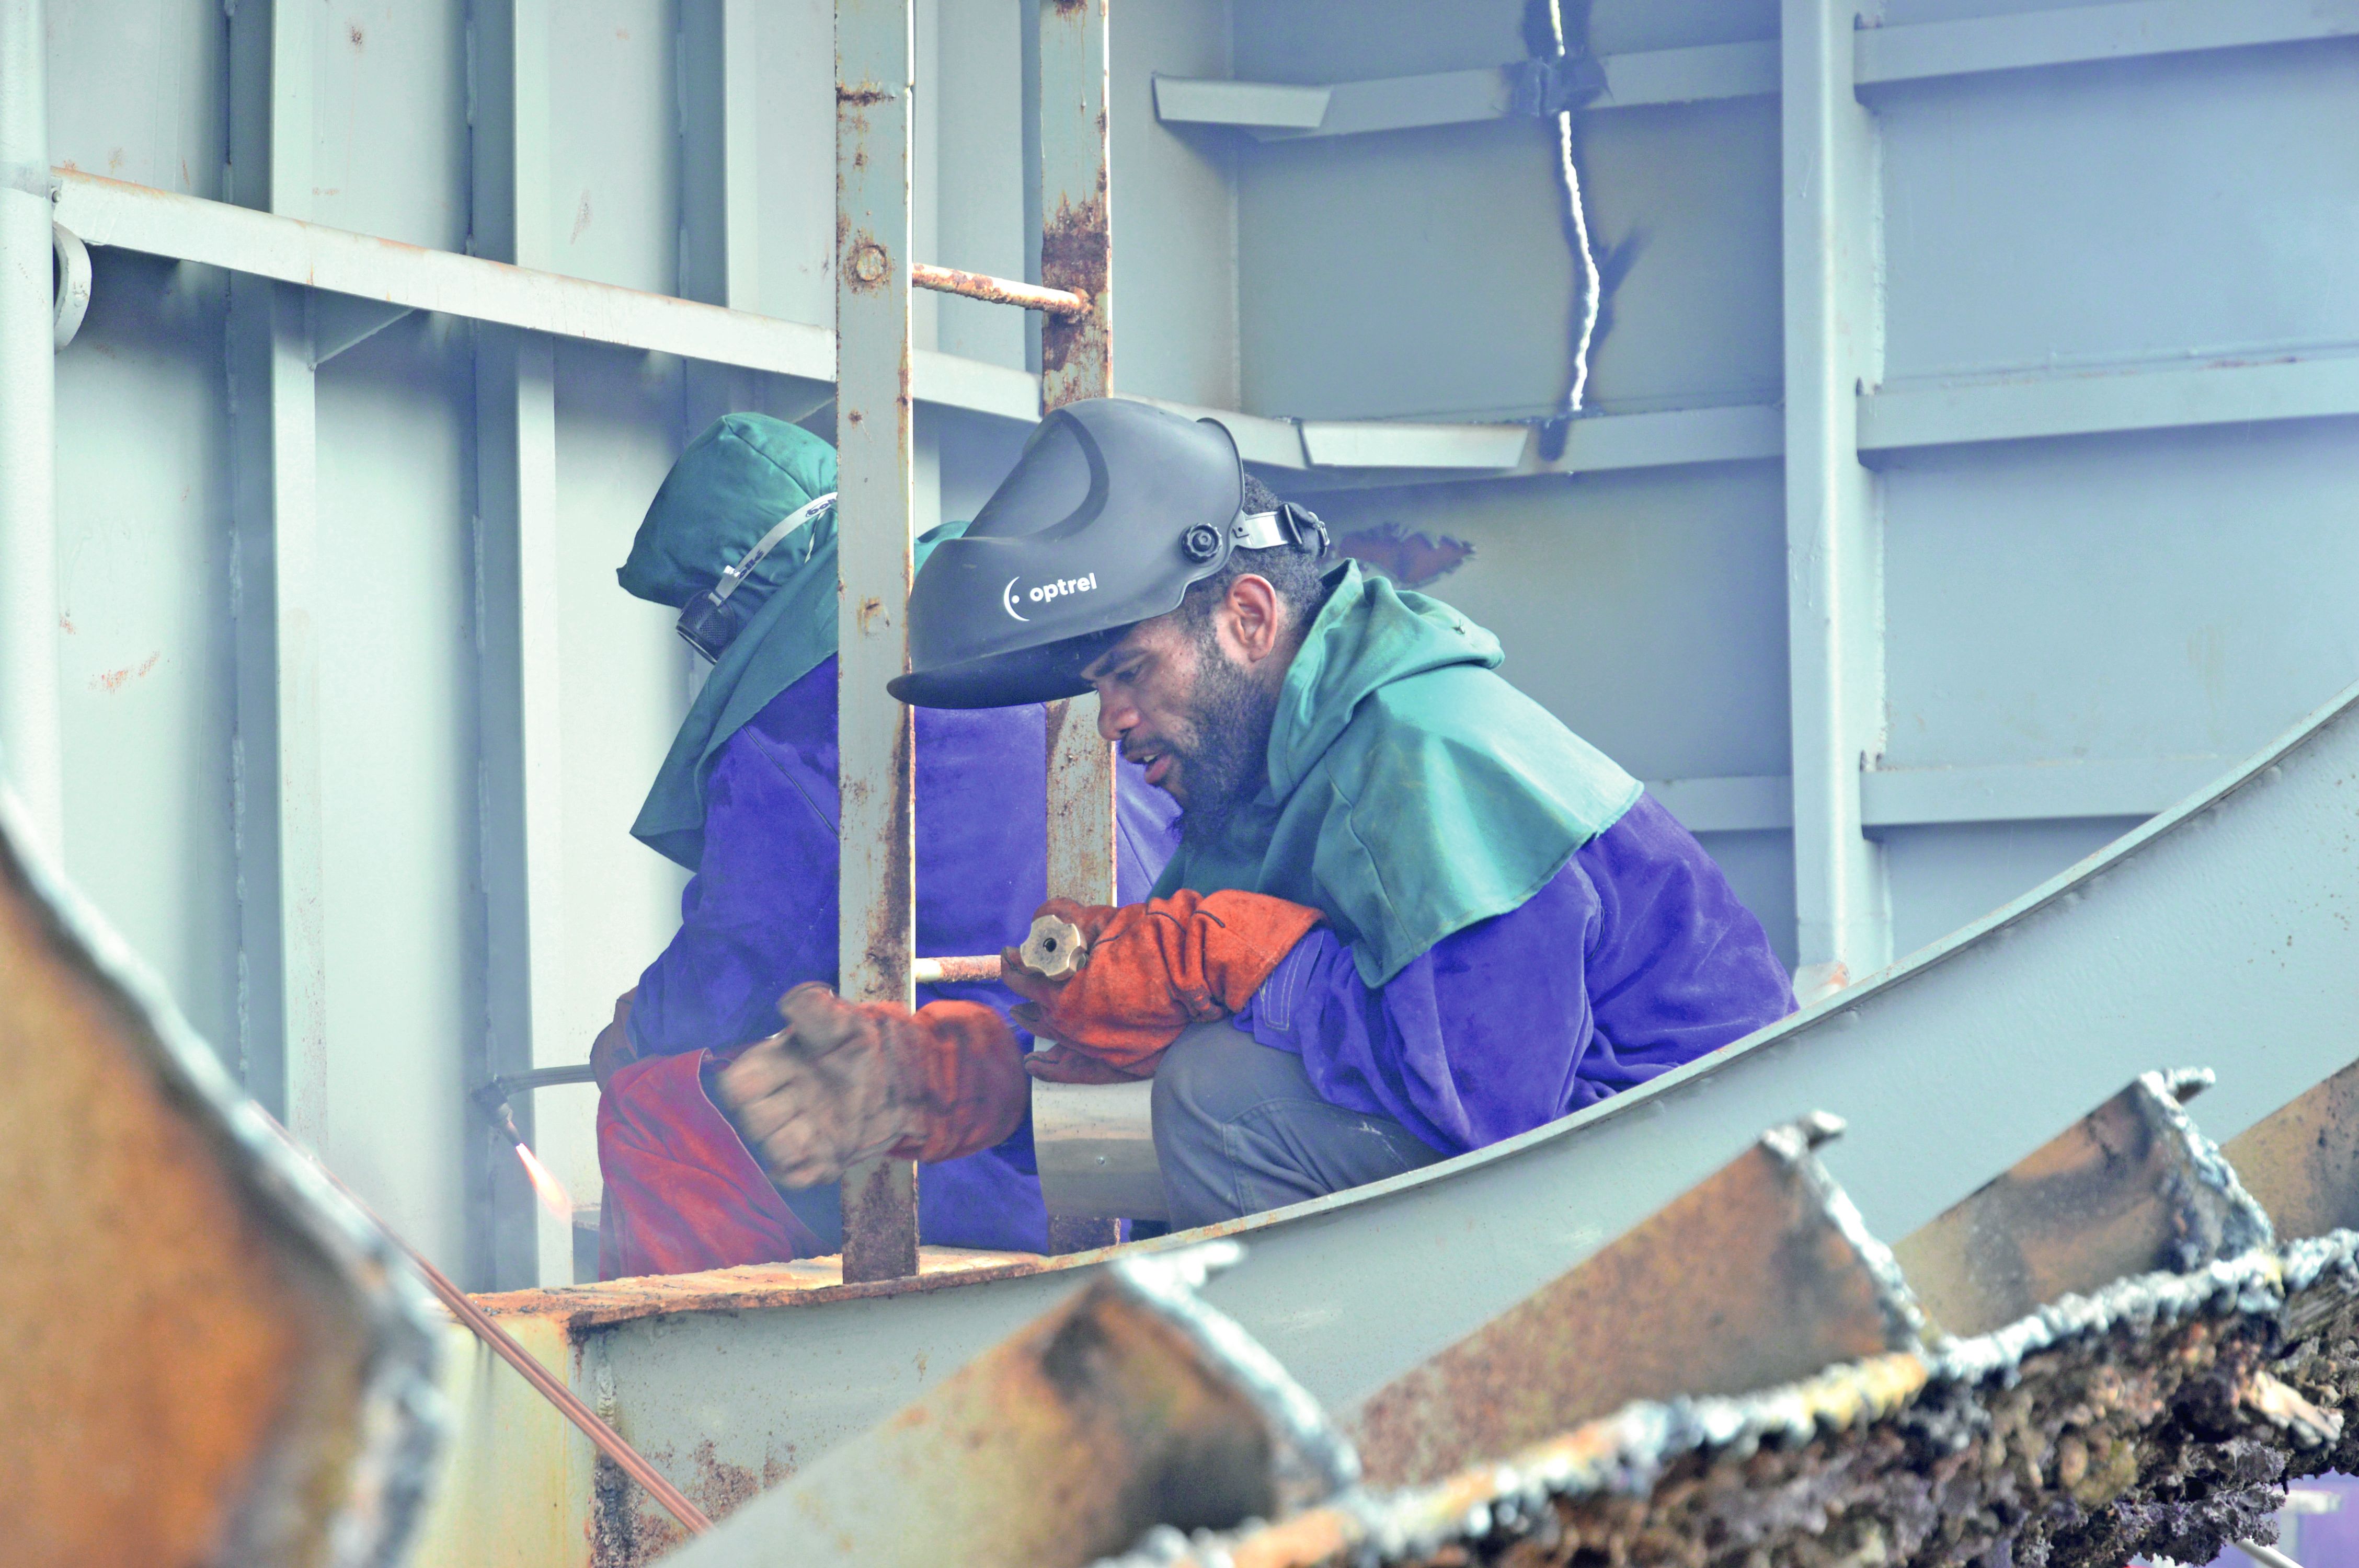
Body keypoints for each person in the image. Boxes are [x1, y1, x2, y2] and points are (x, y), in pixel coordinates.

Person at [708, 397, 1796, 1232]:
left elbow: (1484, 1109)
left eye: (1128, 673)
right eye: (1098, 688)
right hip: (1613, 1185)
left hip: (1704, 1194)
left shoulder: (1421, 755)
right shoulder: (1271, 778)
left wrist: (1252, 962)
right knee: (1181, 1097)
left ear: (1246, 615)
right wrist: (960, 1079)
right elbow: (1162, 1047)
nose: (1112, 724)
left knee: (1219, 1094)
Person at [591, 412, 1177, 1277]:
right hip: (1147, 1134)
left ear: (734, 599)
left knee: (654, 1111)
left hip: (981, 1165)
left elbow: (739, 965)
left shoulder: (797, 728)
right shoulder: (1025, 646)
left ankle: (693, 1375)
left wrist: (639, 1031)